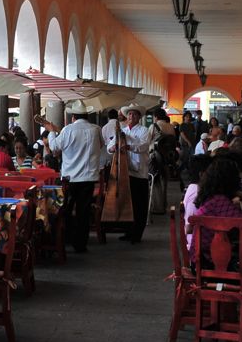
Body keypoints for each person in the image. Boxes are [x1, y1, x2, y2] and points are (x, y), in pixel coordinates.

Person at [40, 109, 105, 253]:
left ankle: (67, 238)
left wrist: (51, 131)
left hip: (71, 178)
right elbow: (100, 145)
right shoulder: (96, 129)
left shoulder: (68, 130)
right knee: (83, 211)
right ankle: (81, 244)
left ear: (73, 117)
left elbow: (54, 147)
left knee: (67, 210)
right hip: (89, 178)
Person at [110, 104, 157, 245]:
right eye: (129, 114)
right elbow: (110, 145)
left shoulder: (144, 131)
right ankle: (128, 231)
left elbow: (143, 146)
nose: (132, 117)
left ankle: (137, 234)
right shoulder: (122, 130)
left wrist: (128, 145)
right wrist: (112, 147)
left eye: (135, 115)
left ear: (139, 117)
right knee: (127, 204)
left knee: (139, 205)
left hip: (139, 172)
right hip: (125, 171)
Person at [182, 154, 213, 249]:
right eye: (211, 172)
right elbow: (189, 228)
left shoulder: (196, 188)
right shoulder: (196, 193)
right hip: (197, 245)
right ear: (202, 174)